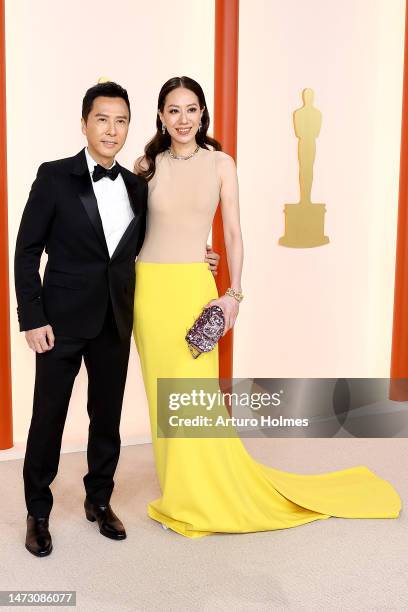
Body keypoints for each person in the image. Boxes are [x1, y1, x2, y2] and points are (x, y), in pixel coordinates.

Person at [133, 76, 402, 538]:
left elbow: (234, 233)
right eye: (173, 110)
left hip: (195, 292)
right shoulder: (145, 166)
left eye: (191, 109)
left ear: (203, 114)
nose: (182, 119)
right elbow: (133, 232)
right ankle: (178, 490)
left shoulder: (221, 163)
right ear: (160, 115)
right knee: (162, 395)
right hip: (149, 291)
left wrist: (233, 292)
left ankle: (206, 492)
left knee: (192, 396)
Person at [14, 79, 221, 557]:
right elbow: (26, 253)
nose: (112, 130)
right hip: (59, 323)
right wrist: (33, 317)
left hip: (115, 319)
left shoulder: (136, 184)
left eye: (121, 120)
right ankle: (38, 513)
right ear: (84, 123)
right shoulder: (53, 176)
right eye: (102, 119)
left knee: (105, 418)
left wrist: (200, 256)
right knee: (48, 418)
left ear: (131, 125)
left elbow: (153, 243)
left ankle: (99, 501)